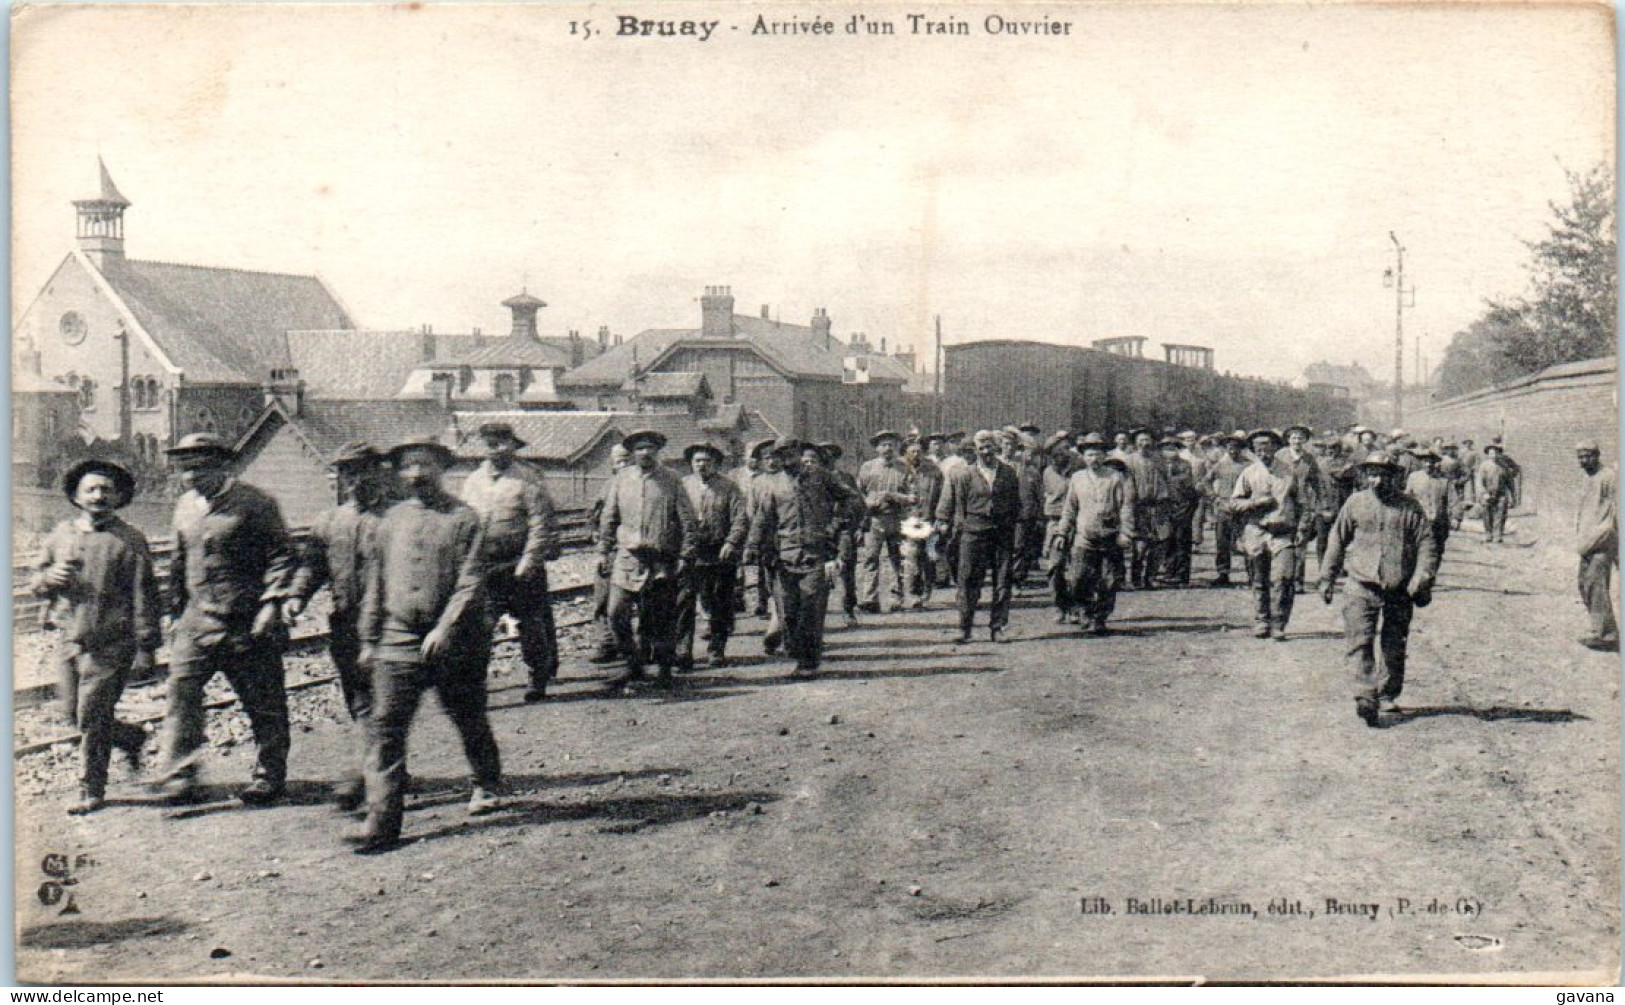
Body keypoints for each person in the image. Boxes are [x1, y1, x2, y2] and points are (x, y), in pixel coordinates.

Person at [353, 438, 502, 852]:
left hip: (455, 643)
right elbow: (375, 586)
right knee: (386, 727)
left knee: (468, 716)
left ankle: (486, 780)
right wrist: (369, 638)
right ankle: (381, 823)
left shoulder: (464, 519)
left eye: (425, 465)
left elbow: (471, 582)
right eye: (407, 467)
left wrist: (445, 628)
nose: (416, 474)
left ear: (442, 468)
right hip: (397, 638)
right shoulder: (388, 521)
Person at [156, 433, 297, 805]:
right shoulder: (185, 506)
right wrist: (173, 610)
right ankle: (180, 776)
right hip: (195, 622)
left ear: (224, 466)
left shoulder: (255, 504)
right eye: (185, 469)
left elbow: (282, 554)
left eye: (200, 468)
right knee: (181, 695)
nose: (191, 476)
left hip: (246, 623)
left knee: (263, 701)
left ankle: (269, 775)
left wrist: (272, 603)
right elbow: (178, 560)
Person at [32, 459, 158, 814]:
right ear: (76, 495)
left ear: (119, 496)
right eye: (91, 489)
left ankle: (93, 789)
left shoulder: (129, 540)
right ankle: (131, 737)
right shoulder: (60, 534)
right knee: (73, 714)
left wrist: (146, 647)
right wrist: (47, 579)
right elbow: (36, 582)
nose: (99, 495)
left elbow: (144, 595)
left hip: (111, 643)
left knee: (92, 715)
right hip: (69, 640)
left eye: (107, 489)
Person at [288, 442, 391, 811]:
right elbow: (312, 564)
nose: (354, 479)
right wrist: (297, 596)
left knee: (381, 705)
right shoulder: (330, 521)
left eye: (361, 470)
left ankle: (370, 775)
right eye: (347, 472)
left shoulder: (397, 519)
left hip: (392, 627)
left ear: (379, 471)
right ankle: (383, 769)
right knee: (359, 702)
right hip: (347, 625)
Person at [1319, 452, 1441, 727]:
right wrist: (1326, 577)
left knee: (1394, 643)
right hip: (1360, 585)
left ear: (1393, 476)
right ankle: (1365, 695)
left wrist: (1422, 576)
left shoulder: (1410, 507)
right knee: (1359, 640)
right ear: (1364, 476)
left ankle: (1387, 693)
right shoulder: (1355, 503)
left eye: (1382, 475)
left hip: (1399, 588)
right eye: (1371, 474)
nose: (1376, 481)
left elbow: (1426, 543)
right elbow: (1337, 539)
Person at [460, 422, 560, 703]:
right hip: (487, 567)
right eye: (489, 443)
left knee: (530, 625)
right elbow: (465, 524)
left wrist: (529, 560)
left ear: (512, 445)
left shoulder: (528, 479)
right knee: (481, 628)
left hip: (520, 564)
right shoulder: (472, 482)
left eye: (502, 442)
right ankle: (475, 685)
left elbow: (541, 524)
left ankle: (537, 677)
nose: (496, 449)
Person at [743, 440, 862, 677]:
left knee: (811, 609)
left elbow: (854, 501)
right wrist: (752, 545)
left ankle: (808, 663)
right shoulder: (773, 484)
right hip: (784, 554)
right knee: (787, 611)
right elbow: (762, 517)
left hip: (816, 553)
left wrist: (835, 525)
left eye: (790, 453)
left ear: (799, 454)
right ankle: (799, 653)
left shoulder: (821, 477)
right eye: (780, 454)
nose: (785, 459)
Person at [598, 430, 697, 691]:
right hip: (627, 558)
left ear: (658, 450)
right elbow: (609, 517)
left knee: (660, 619)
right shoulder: (621, 480)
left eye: (650, 447)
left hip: (661, 561)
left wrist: (686, 554)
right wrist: (602, 550)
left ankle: (665, 669)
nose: (645, 452)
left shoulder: (671, 480)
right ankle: (633, 666)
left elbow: (688, 519)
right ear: (632, 452)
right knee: (615, 613)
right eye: (640, 448)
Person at [936, 430, 1021, 643]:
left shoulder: (1008, 473)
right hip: (973, 531)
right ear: (975, 450)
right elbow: (950, 501)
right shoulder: (963, 474)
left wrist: (1014, 529)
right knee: (968, 581)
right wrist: (944, 521)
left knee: (1002, 580)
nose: (986, 451)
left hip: (1001, 532)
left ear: (997, 447)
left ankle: (998, 627)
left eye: (990, 446)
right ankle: (964, 627)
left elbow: (1015, 503)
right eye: (981, 448)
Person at [676, 443, 748, 669]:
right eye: (698, 460)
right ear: (691, 463)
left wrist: (731, 542)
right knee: (684, 603)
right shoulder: (682, 486)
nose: (702, 465)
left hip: (719, 553)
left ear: (716, 463)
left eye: (707, 461)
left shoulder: (729, 487)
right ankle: (683, 653)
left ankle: (716, 650)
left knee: (719, 603)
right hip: (689, 552)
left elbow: (740, 519)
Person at [1231, 429, 1307, 640]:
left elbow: (1302, 504)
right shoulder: (1249, 473)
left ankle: (1279, 622)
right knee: (1259, 578)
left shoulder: (1289, 473)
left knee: (1283, 578)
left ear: (1276, 447)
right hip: (1256, 531)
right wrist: (1255, 502)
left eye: (1266, 445)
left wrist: (1301, 529)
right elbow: (1235, 503)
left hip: (1282, 533)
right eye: (1257, 447)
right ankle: (1262, 620)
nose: (1262, 450)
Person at [1058, 434, 1136, 635]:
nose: (1094, 458)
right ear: (1084, 457)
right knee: (1078, 579)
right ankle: (1084, 610)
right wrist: (1061, 533)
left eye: (1098, 454)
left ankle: (1100, 617)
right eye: (1090, 454)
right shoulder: (1077, 478)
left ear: (1104, 456)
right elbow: (1069, 508)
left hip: (1110, 536)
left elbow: (1125, 507)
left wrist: (1125, 533)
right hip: (1084, 536)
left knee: (1110, 580)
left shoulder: (1114, 477)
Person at [856, 430, 915, 613]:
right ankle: (869, 599)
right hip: (874, 519)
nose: (887, 448)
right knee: (871, 558)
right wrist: (867, 502)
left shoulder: (905, 468)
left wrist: (893, 496)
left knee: (896, 558)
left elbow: (913, 497)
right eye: (883, 445)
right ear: (877, 448)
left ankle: (895, 598)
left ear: (897, 447)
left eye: (891, 444)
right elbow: (859, 493)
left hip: (897, 518)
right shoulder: (867, 467)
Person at [587, 444, 632, 665]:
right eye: (618, 461)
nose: (622, 465)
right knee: (603, 598)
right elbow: (594, 516)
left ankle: (641, 644)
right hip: (610, 550)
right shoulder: (606, 487)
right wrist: (597, 535)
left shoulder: (639, 486)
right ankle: (606, 641)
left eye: (626, 460)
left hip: (633, 550)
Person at [1574, 440, 1618, 651]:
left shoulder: (1608, 477)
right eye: (1580, 457)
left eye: (1588, 456)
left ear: (1597, 455)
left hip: (1603, 540)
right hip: (1587, 541)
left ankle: (1606, 635)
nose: (1584, 460)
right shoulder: (1587, 477)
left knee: (1596, 586)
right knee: (1585, 585)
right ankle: (1598, 627)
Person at [1276, 424, 1327, 592]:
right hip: (1282, 504)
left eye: (1300, 438)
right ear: (1288, 440)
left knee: (1300, 543)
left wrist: (1321, 504)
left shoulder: (1309, 459)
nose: (1297, 441)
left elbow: (1316, 482)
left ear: (1305, 440)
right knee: (1281, 542)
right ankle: (1281, 578)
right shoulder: (1280, 456)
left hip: (1303, 505)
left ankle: (1298, 580)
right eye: (1293, 438)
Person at [819, 442, 865, 627]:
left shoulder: (845, 479)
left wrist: (860, 526)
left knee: (846, 569)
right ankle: (818, 617)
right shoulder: (812, 479)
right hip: (820, 531)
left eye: (830, 455)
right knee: (819, 573)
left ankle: (848, 609)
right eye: (823, 456)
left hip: (843, 529)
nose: (827, 459)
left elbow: (858, 503)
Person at [1120, 429, 1171, 590]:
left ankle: (1150, 577)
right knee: (1140, 546)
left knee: (1160, 543)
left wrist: (1166, 499)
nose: (1144, 444)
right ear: (1135, 443)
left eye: (1147, 440)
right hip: (1138, 507)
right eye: (1141, 440)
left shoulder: (1159, 460)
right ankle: (1136, 578)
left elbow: (1166, 481)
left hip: (1158, 507)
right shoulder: (1129, 462)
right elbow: (1127, 487)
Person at [900, 435, 944, 609]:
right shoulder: (901, 470)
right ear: (906, 453)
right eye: (912, 451)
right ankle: (912, 594)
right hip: (907, 521)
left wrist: (940, 518)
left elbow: (941, 496)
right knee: (911, 557)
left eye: (919, 450)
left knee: (928, 557)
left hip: (928, 520)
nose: (916, 454)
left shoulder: (933, 471)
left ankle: (926, 591)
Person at [1204, 434, 1248, 587]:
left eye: (1235, 447)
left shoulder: (1248, 465)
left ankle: (1252, 574)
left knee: (1247, 541)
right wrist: (1214, 497)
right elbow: (1206, 482)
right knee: (1222, 542)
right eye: (1229, 447)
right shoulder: (1220, 465)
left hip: (1243, 508)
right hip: (1224, 507)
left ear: (1240, 449)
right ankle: (1223, 573)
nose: (1232, 450)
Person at [1041, 432, 1077, 623]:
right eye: (1055, 453)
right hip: (1055, 523)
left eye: (1064, 450)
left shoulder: (1079, 469)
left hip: (1078, 523)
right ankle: (1059, 605)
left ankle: (1076, 607)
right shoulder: (1047, 472)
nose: (1061, 455)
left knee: (1078, 569)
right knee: (1055, 567)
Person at [1159, 437, 1199, 587]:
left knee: (1182, 541)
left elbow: (1187, 484)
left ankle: (1182, 575)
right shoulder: (1159, 465)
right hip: (1165, 508)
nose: (1169, 452)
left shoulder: (1184, 465)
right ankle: (1169, 572)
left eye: (1172, 448)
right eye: (1166, 448)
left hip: (1182, 506)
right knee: (1167, 541)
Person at [1404, 447, 1453, 556]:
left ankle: (1432, 571)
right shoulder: (1414, 477)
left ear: (1436, 463)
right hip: (1419, 520)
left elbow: (1452, 499)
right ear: (1421, 462)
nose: (1428, 464)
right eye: (1425, 461)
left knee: (1438, 550)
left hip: (1439, 522)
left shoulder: (1444, 479)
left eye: (1431, 461)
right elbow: (1407, 497)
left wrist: (1457, 517)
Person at [1475, 443, 1513, 544]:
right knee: (1487, 515)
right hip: (1487, 493)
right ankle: (1489, 533)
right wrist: (1484, 493)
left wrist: (1512, 496)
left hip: (1501, 494)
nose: (1494, 455)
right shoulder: (1484, 466)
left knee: (1500, 515)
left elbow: (1510, 482)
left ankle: (1498, 535)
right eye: (1492, 453)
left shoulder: (1504, 466)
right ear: (1488, 454)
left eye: (1496, 453)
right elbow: (1479, 481)